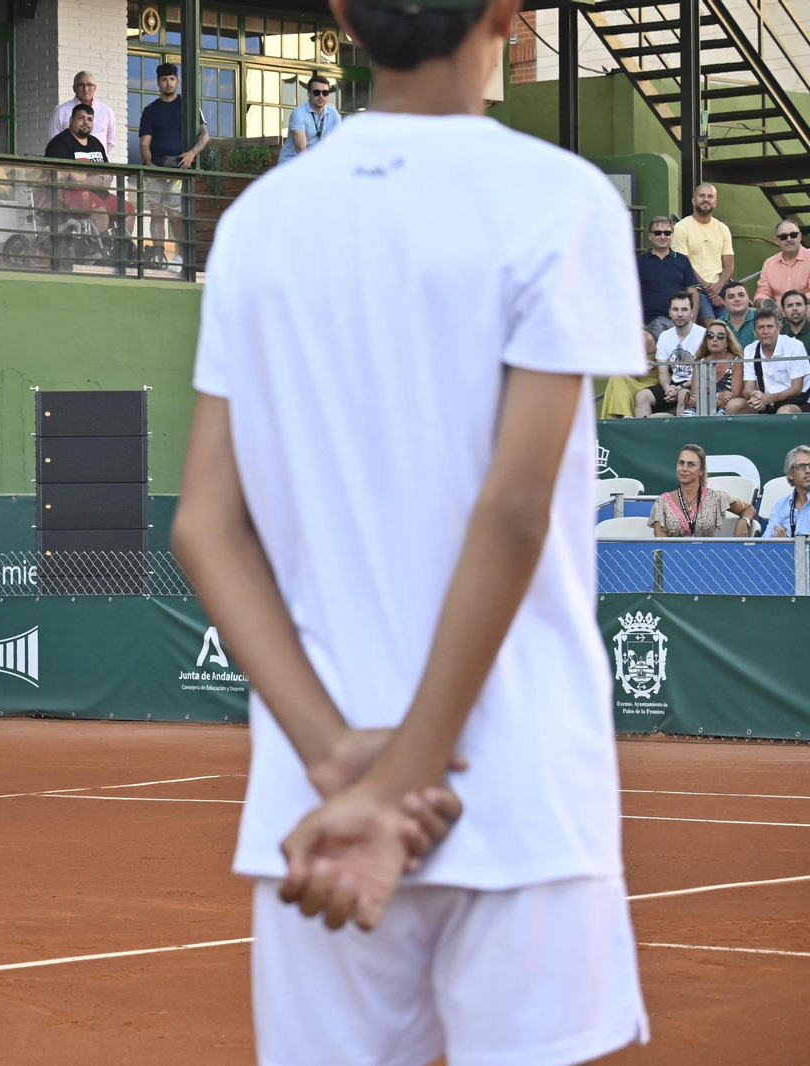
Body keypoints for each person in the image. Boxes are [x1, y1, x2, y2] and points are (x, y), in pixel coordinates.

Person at [172, 0, 649, 1062]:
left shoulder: (258, 220)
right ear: (508, 14)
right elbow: (513, 507)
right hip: (516, 789)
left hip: (319, 802)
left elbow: (205, 523)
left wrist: (346, 766)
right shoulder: (561, 201)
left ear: (341, 17)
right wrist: (398, 783)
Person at [137, 62, 209, 273]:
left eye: (172, 79)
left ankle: (183, 256)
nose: (168, 83)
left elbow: (205, 135)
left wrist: (192, 153)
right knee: (156, 212)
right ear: (158, 82)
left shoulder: (188, 106)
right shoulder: (150, 110)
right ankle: (159, 253)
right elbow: (144, 143)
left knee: (176, 214)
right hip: (156, 167)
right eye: (164, 79)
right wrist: (151, 166)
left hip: (180, 168)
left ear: (177, 81)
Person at [44, 103, 115, 268]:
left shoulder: (96, 143)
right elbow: (68, 178)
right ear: (71, 121)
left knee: (127, 209)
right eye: (81, 118)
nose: (86, 122)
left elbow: (108, 175)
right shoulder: (60, 143)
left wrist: (92, 179)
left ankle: (123, 251)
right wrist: (95, 180)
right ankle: (101, 254)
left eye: (90, 119)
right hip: (69, 194)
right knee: (100, 212)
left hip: (99, 193)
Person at [649, 444, 755, 536]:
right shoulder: (662, 502)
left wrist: (744, 521)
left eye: (691, 464)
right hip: (674, 557)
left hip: (706, 557)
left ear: (701, 471)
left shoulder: (716, 497)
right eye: (681, 463)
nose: (684, 468)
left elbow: (749, 509)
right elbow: (662, 546)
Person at [730, 307, 810, 415]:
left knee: (784, 412)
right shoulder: (750, 349)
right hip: (765, 401)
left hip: (797, 400)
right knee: (734, 406)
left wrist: (768, 398)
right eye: (761, 327)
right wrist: (754, 396)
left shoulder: (794, 346)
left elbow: (796, 389)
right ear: (755, 332)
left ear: (778, 329)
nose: (765, 331)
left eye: (770, 326)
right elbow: (748, 388)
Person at [635, 291, 703, 416]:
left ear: (692, 312)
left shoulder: (703, 335)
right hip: (673, 385)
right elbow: (663, 372)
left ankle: (680, 434)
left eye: (684, 309)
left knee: (683, 394)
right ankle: (644, 434)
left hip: (695, 385)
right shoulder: (664, 336)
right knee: (642, 396)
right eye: (675, 309)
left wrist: (680, 387)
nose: (680, 314)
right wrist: (667, 388)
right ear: (670, 312)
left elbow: (702, 374)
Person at [671, 183, 733, 320]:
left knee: (730, 325)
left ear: (715, 202)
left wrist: (718, 286)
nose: (706, 199)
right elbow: (684, 264)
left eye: (710, 196)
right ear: (693, 200)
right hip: (696, 289)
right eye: (702, 196)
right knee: (711, 325)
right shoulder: (682, 227)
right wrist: (708, 289)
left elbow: (729, 265)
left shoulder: (722, 228)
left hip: (720, 288)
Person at [635, 215, 701, 333]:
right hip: (650, 322)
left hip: (679, 320)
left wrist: (693, 322)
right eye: (657, 233)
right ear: (650, 236)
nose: (662, 236)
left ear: (672, 235)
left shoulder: (682, 261)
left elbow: (692, 291)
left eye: (667, 233)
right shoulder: (640, 262)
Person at [46, 70, 116, 158]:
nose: (86, 89)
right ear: (74, 88)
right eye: (81, 85)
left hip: (97, 165)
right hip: (69, 165)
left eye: (89, 85)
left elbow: (110, 142)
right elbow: (52, 141)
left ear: (95, 88)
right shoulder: (61, 111)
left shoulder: (106, 111)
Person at [276, 73, 342, 164]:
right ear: (308, 93)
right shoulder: (299, 114)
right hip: (290, 164)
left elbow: (339, 141)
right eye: (316, 92)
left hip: (311, 162)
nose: (321, 96)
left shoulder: (333, 113)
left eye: (325, 93)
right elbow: (301, 149)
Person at [600, 325, 661, 418]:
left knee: (617, 376)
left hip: (648, 381)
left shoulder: (645, 337)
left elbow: (636, 370)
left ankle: (621, 417)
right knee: (617, 377)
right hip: (630, 378)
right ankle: (624, 416)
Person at [683, 319, 741, 415]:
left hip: (727, 410)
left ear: (727, 341)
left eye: (720, 336)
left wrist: (705, 401)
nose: (715, 339)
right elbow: (694, 398)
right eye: (710, 336)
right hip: (702, 409)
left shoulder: (736, 362)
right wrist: (719, 395)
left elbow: (735, 397)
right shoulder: (700, 363)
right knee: (688, 416)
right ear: (706, 340)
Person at [755, 219, 809, 307]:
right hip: (777, 315)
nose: (789, 239)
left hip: (805, 313)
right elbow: (761, 293)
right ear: (777, 241)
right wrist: (770, 306)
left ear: (800, 237)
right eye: (783, 237)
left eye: (793, 235)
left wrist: (790, 305)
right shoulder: (769, 263)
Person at [766, 445, 810, 537]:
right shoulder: (780, 506)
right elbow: (767, 539)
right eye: (801, 466)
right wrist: (780, 541)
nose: (808, 470)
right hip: (786, 551)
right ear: (790, 474)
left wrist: (787, 542)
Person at [718, 279, 756, 349]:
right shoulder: (718, 325)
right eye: (731, 297)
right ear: (724, 302)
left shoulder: (762, 318)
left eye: (741, 295)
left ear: (748, 298)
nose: (737, 299)